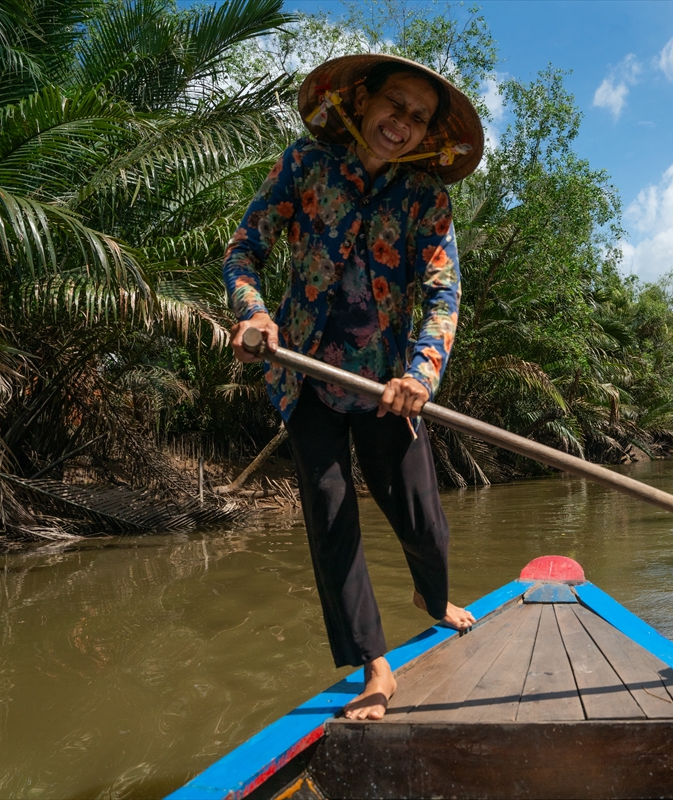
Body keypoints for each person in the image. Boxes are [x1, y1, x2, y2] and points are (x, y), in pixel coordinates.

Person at [222, 54, 484, 721]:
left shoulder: (426, 197)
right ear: (363, 102)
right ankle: (375, 666)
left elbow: (443, 291)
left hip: (386, 383)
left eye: (419, 118)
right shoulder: (304, 166)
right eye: (395, 105)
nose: (402, 123)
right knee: (333, 520)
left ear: (427, 135)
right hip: (305, 374)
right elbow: (243, 249)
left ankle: (432, 594)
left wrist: (421, 374)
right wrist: (253, 311)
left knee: (425, 522)